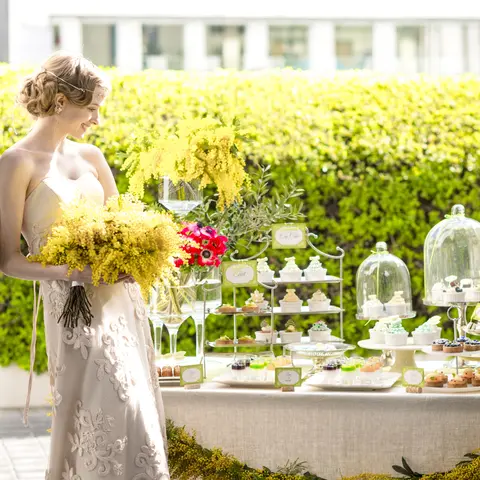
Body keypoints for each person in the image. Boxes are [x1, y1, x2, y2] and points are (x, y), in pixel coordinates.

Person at [0, 52, 170, 479]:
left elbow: (121, 225)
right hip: (72, 312)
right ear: (61, 101)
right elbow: (8, 260)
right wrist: (70, 272)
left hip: (122, 305)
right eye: (91, 108)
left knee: (137, 415)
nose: (96, 119)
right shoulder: (16, 163)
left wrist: (138, 253)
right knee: (101, 412)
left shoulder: (92, 156)